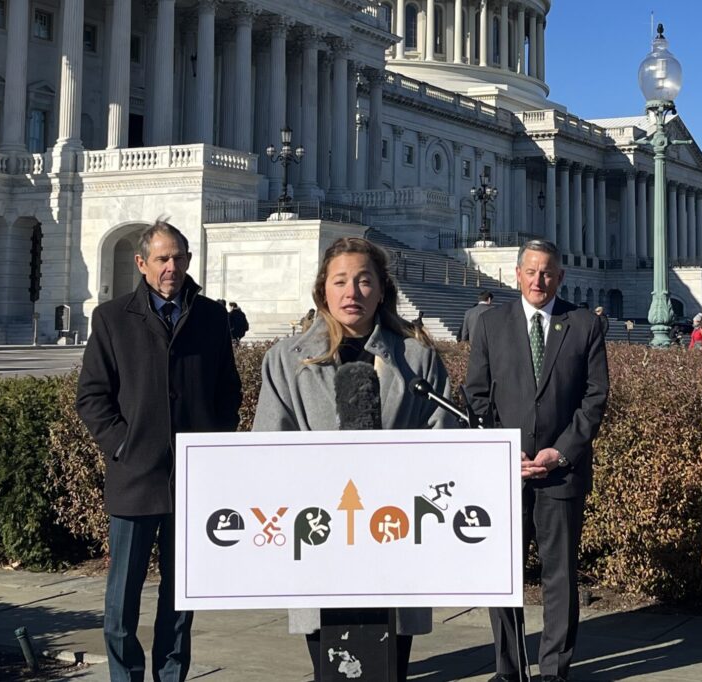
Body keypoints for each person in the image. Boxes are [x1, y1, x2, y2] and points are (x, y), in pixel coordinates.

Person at [251, 236, 453, 682]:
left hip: (395, 536)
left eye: (364, 281)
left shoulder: (416, 359)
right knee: (335, 666)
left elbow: (443, 443)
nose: (352, 293)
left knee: (389, 668)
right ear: (323, 289)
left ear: (382, 289)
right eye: (340, 281)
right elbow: (267, 447)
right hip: (320, 538)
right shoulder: (286, 361)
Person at [76, 221, 242, 682]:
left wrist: (214, 443)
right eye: (163, 259)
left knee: (180, 598)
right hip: (136, 476)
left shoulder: (210, 316)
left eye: (180, 258)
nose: (172, 267)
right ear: (142, 262)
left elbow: (229, 389)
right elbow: (92, 396)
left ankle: (172, 675)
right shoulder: (111, 318)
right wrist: (123, 443)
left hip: (193, 479)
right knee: (121, 600)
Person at [466, 238, 609, 682]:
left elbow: (595, 397)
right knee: (503, 575)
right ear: (516, 274)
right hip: (505, 472)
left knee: (560, 577)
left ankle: (553, 670)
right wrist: (505, 449)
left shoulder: (583, 324)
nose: (538, 280)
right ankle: (508, 669)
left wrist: (561, 452)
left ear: (560, 277)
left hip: (561, 472)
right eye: (530, 271)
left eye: (547, 272)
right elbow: (476, 395)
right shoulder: (491, 324)